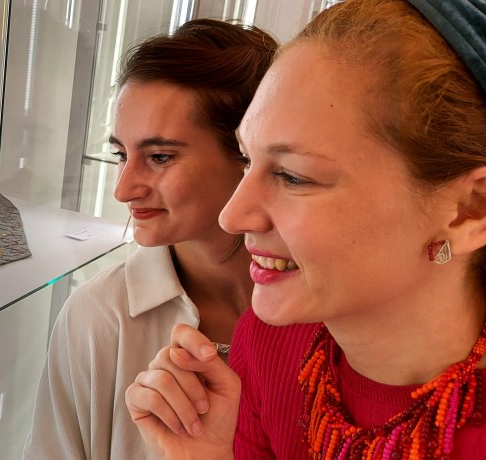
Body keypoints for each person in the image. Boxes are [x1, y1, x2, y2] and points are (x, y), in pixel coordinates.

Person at [125, 0, 486, 458]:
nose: (232, 217)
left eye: (293, 176)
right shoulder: (268, 343)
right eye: (248, 159)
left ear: (469, 210)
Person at [24, 19, 276, 459]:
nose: (123, 190)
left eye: (160, 157)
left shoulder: (328, 313)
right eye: (121, 154)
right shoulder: (98, 316)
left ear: (248, 157)